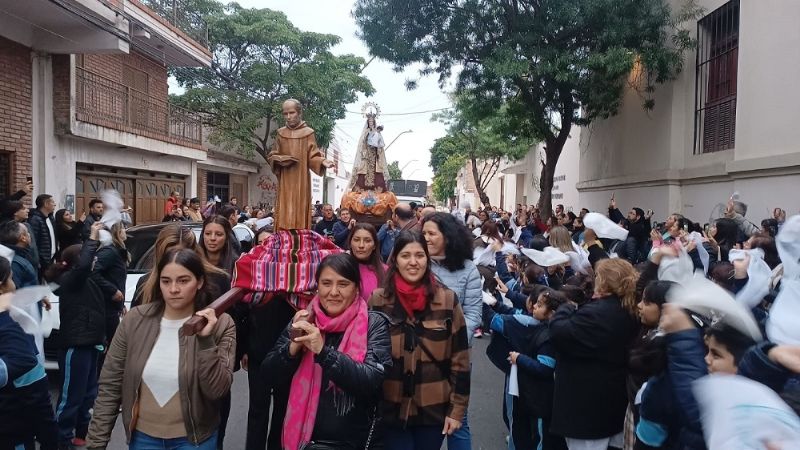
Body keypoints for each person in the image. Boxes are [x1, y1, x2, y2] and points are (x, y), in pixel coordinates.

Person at [86, 248, 236, 449]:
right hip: (144, 439)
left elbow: (217, 390)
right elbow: (110, 385)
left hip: (195, 440)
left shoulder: (220, 324)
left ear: (199, 282)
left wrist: (206, 342)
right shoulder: (135, 320)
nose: (173, 289)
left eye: (183, 281)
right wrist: (96, 443)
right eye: (166, 281)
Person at [262, 253, 391, 449]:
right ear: (317, 287)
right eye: (326, 283)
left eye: (343, 284)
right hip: (304, 441)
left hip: (354, 441)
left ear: (356, 288)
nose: (333, 292)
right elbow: (268, 375)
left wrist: (323, 353)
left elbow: (371, 381)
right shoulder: (304, 321)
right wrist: (292, 349)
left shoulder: (374, 323)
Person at [369, 232, 470, 450]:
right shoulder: (378, 300)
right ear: (395, 259)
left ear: (428, 258)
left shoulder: (447, 299)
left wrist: (457, 410)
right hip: (389, 408)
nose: (413, 262)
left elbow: (460, 360)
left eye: (419, 255)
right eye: (406, 255)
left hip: (433, 409)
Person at [549, 258, 640, 450]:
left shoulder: (598, 313)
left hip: (587, 406)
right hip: (613, 398)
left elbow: (560, 332)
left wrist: (566, 306)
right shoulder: (628, 307)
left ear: (605, 281)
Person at [45, 222, 105, 449]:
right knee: (71, 396)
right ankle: (60, 438)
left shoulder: (89, 278)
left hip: (91, 343)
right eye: (91, 257)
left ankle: (81, 433)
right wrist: (92, 237)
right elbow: (83, 265)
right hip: (75, 345)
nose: (95, 260)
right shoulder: (71, 279)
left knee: (88, 394)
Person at [0, 262, 58, 450]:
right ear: (2, 286)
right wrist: (51, 442)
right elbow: (38, 401)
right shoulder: (14, 334)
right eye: (10, 278)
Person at [508, 290, 568, 450]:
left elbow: (544, 368)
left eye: (540, 305)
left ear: (552, 313)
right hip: (538, 397)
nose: (534, 306)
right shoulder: (546, 329)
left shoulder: (549, 337)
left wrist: (519, 358)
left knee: (540, 439)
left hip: (542, 400)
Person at [267, 99, 334, 230]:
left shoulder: (308, 133)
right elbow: (273, 154)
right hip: (285, 179)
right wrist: (278, 159)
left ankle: (299, 237)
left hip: (301, 179)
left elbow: (313, 155)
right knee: (285, 208)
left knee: (299, 207)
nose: (288, 117)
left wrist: (322, 161)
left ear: (299, 113)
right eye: (285, 113)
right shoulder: (281, 133)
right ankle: (283, 237)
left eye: (291, 113)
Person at [91, 222, 128, 354]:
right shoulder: (109, 251)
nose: (125, 231)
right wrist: (112, 290)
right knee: (111, 346)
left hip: (113, 305)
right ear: (117, 232)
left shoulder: (116, 250)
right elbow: (93, 272)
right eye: (123, 228)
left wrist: (121, 304)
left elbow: (115, 278)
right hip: (106, 306)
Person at [347, 116, 389, 193]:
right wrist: (365, 151)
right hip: (367, 154)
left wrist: (378, 146)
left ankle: (377, 189)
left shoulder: (377, 132)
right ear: (367, 123)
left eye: (372, 121)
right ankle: (362, 188)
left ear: (374, 122)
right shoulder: (366, 132)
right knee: (363, 172)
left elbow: (381, 143)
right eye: (369, 122)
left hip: (374, 154)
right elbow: (363, 143)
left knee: (377, 173)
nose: (371, 123)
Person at [348, 223, 386, 302]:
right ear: (350, 243)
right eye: (356, 240)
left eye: (367, 240)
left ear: (374, 245)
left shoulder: (386, 271)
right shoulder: (341, 269)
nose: (361, 245)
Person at [28, 194, 57, 274]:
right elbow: (34, 242)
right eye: (52, 202)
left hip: (51, 259)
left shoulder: (50, 218)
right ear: (46, 204)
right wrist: (38, 260)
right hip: (41, 261)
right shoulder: (35, 220)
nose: (55, 204)